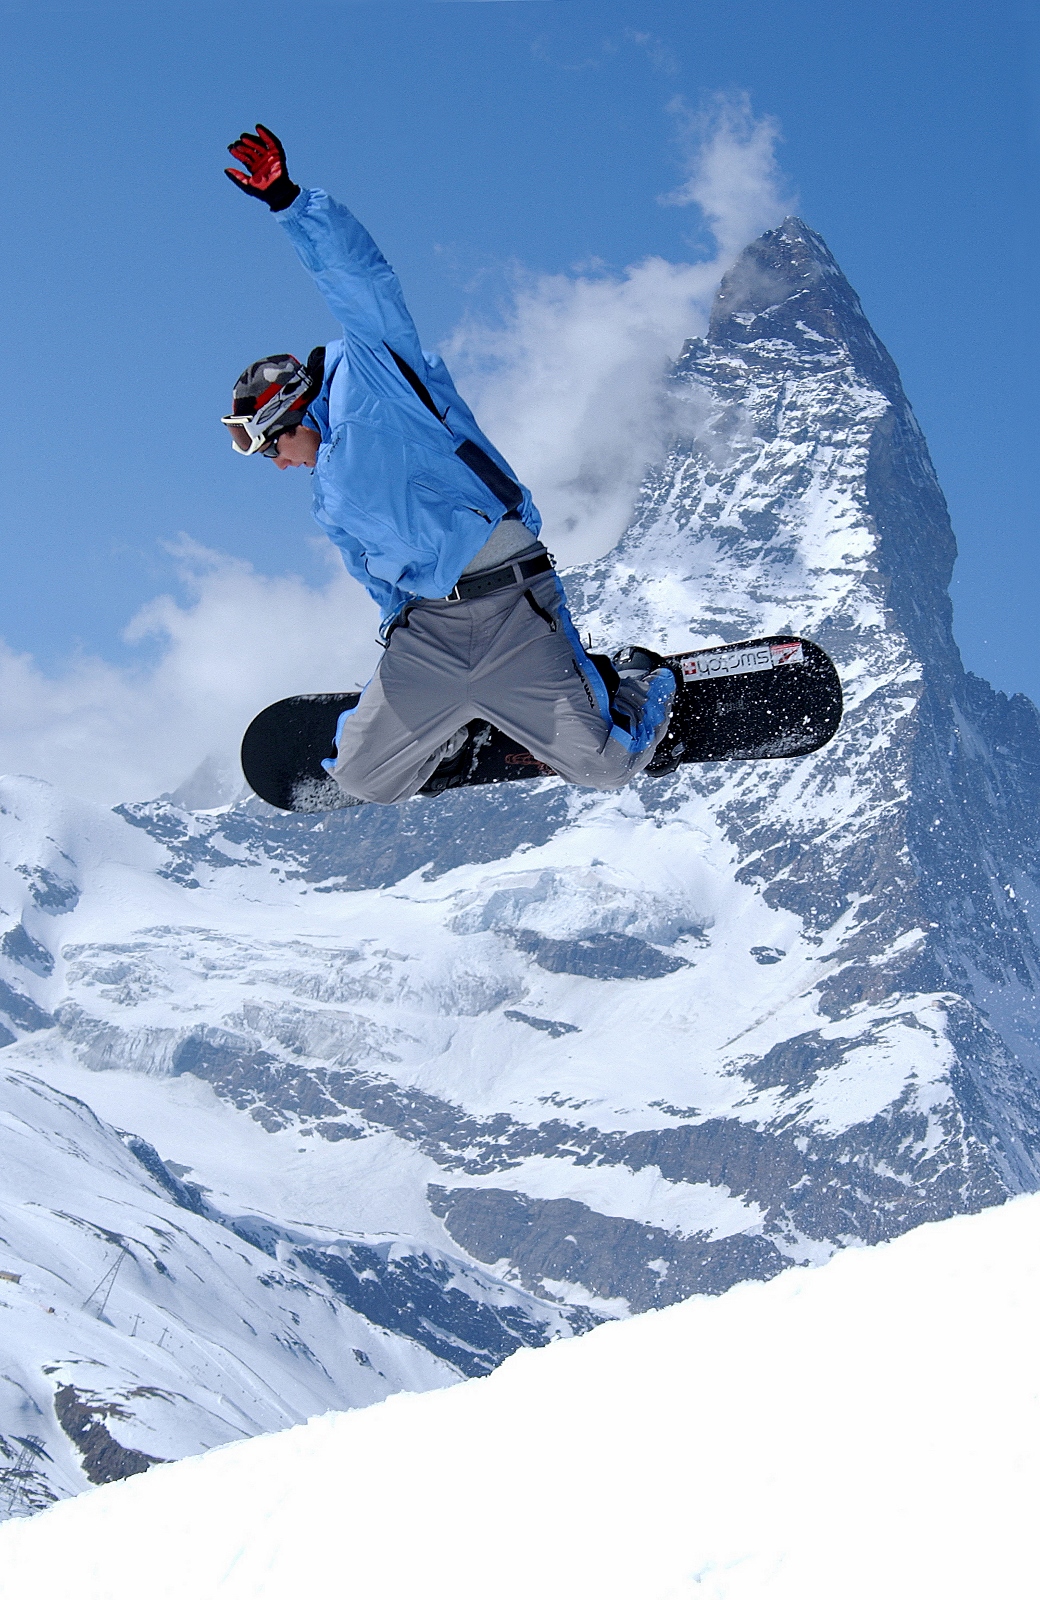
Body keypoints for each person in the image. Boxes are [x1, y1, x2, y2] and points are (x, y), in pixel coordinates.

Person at [223, 125, 677, 806]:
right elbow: (373, 577)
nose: (278, 466)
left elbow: (358, 279)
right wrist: (400, 632)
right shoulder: (329, 498)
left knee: (609, 767)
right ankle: (453, 729)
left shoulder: (377, 379)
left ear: (289, 414)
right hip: (430, 633)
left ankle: (636, 685)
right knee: (363, 780)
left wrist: (290, 203)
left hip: (513, 607)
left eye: (270, 450)